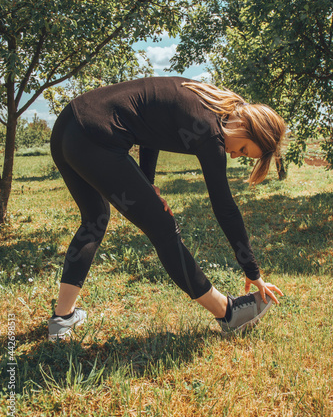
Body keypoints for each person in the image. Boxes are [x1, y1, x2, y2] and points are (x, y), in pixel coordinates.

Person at [48, 76, 285, 341]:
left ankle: (62, 318)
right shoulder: (211, 130)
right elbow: (225, 207)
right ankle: (228, 313)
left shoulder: (205, 102)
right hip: (96, 136)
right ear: (246, 124)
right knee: (163, 227)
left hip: (68, 127)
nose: (234, 155)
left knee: (95, 219)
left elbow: (151, 129)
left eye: (241, 155)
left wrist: (147, 184)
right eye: (242, 149)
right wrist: (253, 272)